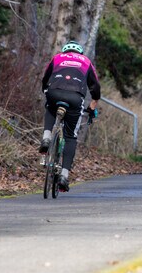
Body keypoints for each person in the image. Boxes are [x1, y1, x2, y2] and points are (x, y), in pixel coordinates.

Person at [40, 40, 101, 192]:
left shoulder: (57, 57)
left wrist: (46, 92)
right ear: (79, 53)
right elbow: (95, 86)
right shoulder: (86, 61)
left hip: (54, 92)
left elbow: (45, 78)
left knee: (50, 108)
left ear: (65, 51)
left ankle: (46, 138)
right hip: (75, 98)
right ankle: (64, 176)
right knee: (70, 137)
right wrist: (92, 106)